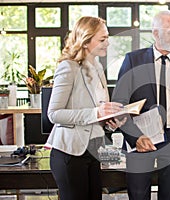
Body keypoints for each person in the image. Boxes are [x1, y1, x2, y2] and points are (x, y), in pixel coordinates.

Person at [112, 10, 170, 200]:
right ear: (156, 33)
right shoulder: (133, 60)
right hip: (141, 139)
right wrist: (134, 138)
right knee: (138, 194)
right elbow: (119, 104)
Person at [46, 16, 126, 200]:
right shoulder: (68, 68)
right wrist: (96, 113)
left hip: (93, 152)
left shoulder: (97, 68)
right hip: (70, 154)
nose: (108, 43)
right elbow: (54, 114)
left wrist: (109, 121)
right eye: (102, 39)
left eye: (108, 37)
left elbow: (97, 111)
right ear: (85, 41)